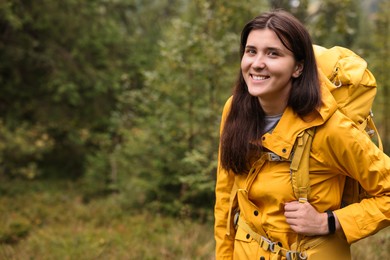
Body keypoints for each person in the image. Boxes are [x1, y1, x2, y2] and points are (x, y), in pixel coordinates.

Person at [214, 9, 390, 260]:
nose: (257, 63)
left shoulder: (329, 128)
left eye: (273, 53)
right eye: (251, 51)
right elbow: (225, 198)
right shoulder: (234, 109)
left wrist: (329, 222)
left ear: (297, 67)